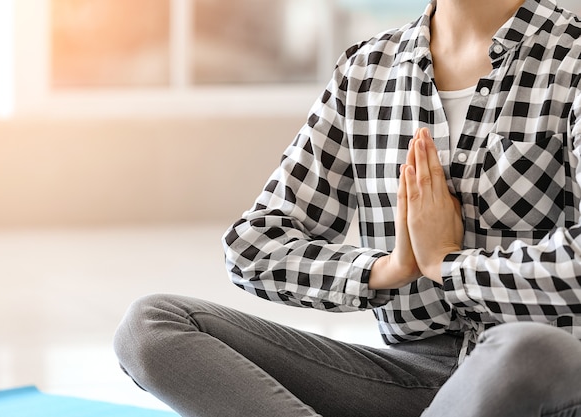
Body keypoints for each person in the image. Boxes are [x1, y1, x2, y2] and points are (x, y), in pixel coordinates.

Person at [113, 0, 581, 415]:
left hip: (535, 372)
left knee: (529, 349)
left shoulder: (572, 58)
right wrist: (388, 268)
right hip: (410, 376)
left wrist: (447, 264)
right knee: (151, 327)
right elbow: (253, 245)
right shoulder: (365, 71)